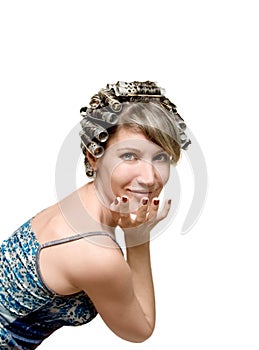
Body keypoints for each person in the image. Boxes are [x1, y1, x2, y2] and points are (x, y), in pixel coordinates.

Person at [0, 81, 191, 349]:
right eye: (129, 155)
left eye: (160, 158)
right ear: (94, 157)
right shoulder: (95, 253)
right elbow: (140, 329)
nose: (149, 178)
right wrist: (138, 238)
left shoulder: (82, 203)